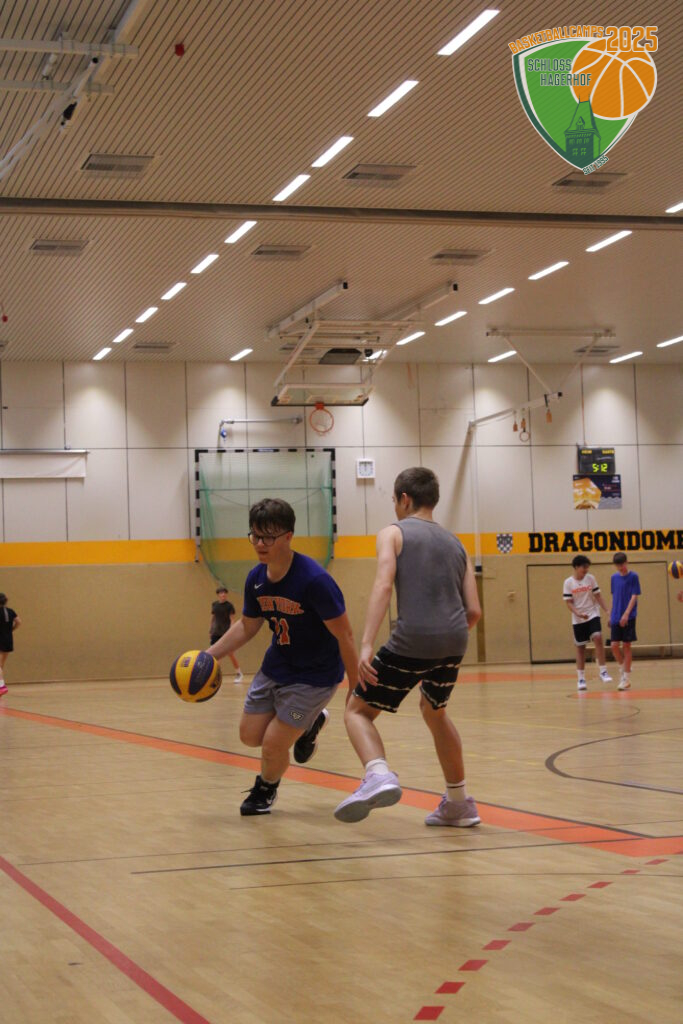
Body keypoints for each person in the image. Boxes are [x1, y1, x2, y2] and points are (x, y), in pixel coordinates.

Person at [334, 467, 482, 827]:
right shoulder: (457, 544)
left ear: (404, 499)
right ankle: (459, 803)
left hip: (414, 637)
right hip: (455, 640)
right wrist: (446, 635)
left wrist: (366, 644)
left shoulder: (393, 533)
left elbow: (384, 585)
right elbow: (474, 611)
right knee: (435, 711)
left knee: (357, 710)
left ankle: (377, 774)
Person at [207, 499, 358, 816]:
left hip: (314, 676)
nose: (260, 544)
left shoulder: (314, 581)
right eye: (255, 536)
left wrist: (356, 687)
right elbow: (247, 626)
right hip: (276, 667)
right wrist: (209, 657)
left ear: (289, 536)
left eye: (269, 537)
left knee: (273, 745)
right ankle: (311, 723)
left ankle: (266, 788)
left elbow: (345, 635)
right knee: (249, 736)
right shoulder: (256, 579)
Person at [562, 555, 612, 691]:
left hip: (592, 613)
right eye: (584, 567)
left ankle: (603, 671)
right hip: (578, 618)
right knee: (580, 648)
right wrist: (578, 613)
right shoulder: (568, 582)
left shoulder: (590, 578)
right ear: (576, 567)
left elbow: (598, 596)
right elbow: (569, 602)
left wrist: (607, 611)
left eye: (587, 567)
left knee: (598, 637)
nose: (586, 570)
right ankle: (581, 679)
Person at [609, 552, 641, 691]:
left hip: (629, 616)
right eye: (617, 565)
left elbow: (634, 596)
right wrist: (611, 614)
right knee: (614, 646)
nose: (620, 567)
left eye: (622, 564)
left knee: (626, 646)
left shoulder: (633, 576)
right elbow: (614, 596)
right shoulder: (614, 578)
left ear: (626, 562)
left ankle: (626, 679)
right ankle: (624, 667)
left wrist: (626, 614)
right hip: (616, 615)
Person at [210, 586, 242, 683]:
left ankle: (238, 673)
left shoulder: (229, 606)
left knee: (230, 654)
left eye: (224, 593)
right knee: (215, 654)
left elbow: (232, 619)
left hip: (226, 633)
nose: (223, 594)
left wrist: (231, 631)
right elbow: (213, 618)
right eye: (221, 593)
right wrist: (210, 629)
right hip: (216, 632)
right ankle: (216, 675)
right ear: (218, 595)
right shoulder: (214, 605)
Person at [0, 593, 21, 697]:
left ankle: (1, 686)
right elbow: (19, 622)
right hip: (8, 639)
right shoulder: (10, 611)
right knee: (0, 665)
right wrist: (11, 629)